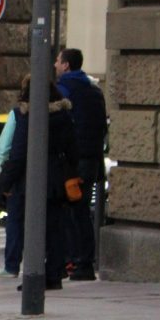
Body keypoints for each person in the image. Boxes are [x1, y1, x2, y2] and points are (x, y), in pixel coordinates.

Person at [0, 74, 78, 292]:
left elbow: (18, 153)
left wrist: (2, 185)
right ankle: (54, 274)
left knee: (29, 227)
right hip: (57, 179)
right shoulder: (64, 115)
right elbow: (73, 150)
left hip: (30, 180)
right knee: (55, 229)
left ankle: (33, 274)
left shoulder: (28, 115)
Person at [54, 47, 108, 280]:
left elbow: (59, 123)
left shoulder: (63, 89)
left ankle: (75, 261)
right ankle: (82, 261)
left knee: (67, 210)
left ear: (66, 65)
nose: (56, 65)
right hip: (92, 159)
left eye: (58, 61)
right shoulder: (94, 91)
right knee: (81, 211)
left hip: (72, 161)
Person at [0, 106, 21, 278]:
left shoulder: (18, 113)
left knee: (16, 221)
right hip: (50, 173)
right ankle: (54, 267)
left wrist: (4, 168)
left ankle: (11, 266)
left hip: (19, 174)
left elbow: (4, 147)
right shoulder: (59, 111)